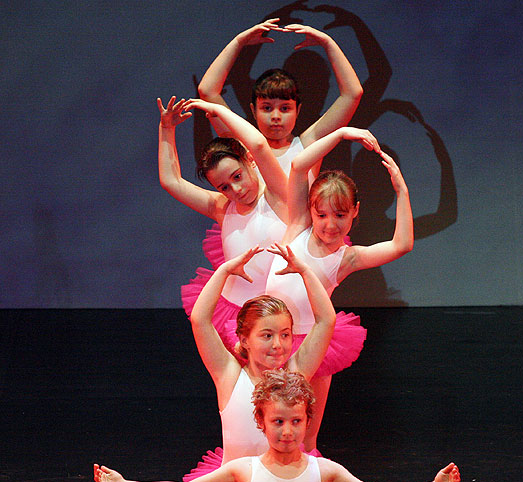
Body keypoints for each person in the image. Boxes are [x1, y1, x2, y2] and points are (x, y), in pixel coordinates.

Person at [94, 370, 461, 482]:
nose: (287, 431)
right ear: (261, 422)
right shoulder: (244, 470)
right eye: (278, 422)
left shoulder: (325, 471)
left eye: (296, 421)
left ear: (307, 421)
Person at [263, 126, 414, 452]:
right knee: (265, 424)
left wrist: (401, 190)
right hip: (270, 338)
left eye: (340, 215)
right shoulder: (299, 224)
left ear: (355, 212)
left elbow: (402, 244)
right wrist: (343, 132)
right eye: (323, 214)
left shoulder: (347, 257)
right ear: (311, 211)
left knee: (306, 433)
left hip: (312, 344)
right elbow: (299, 166)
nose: (330, 224)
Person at [181, 245, 335, 482]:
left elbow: (325, 321)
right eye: (267, 335)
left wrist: (305, 271)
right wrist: (224, 271)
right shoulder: (228, 375)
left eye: (286, 334)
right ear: (244, 339)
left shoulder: (297, 372)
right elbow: (200, 319)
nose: (278, 344)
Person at [157, 97, 288, 343]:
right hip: (236, 314)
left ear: (249, 160)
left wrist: (218, 110)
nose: (236, 190)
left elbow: (259, 145)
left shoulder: (279, 196)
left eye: (237, 176)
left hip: (282, 314)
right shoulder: (222, 207)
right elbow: (171, 181)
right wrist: (167, 129)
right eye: (224, 186)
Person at [197, 18, 365, 180]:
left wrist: (328, 43)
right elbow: (207, 91)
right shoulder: (242, 146)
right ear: (253, 110)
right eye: (267, 108)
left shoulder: (309, 145)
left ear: (297, 110)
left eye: (285, 108)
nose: (276, 116)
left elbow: (352, 94)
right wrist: (238, 42)